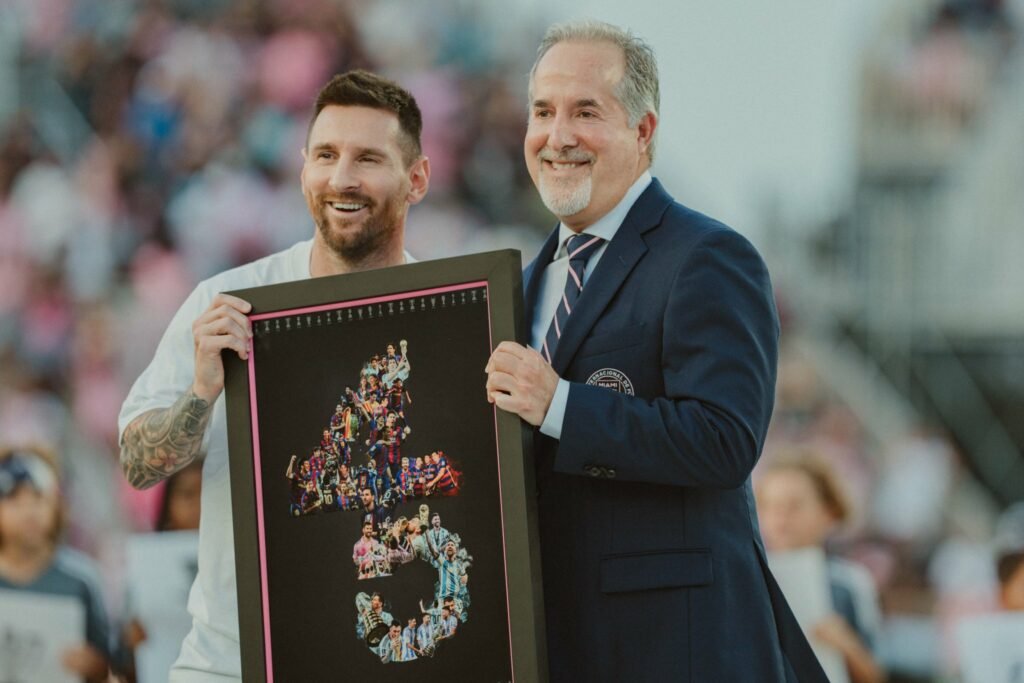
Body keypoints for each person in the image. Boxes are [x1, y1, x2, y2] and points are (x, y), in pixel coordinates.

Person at [483, 20, 827, 681]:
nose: (557, 136)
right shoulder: (522, 286)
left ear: (643, 132)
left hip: (679, 648)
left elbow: (725, 439)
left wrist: (561, 405)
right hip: (559, 645)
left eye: (586, 111)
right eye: (544, 112)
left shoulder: (708, 256)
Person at [118, 69, 429, 681]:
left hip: (390, 661)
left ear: (416, 179)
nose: (342, 178)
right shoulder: (229, 299)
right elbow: (136, 462)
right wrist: (203, 389)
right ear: (303, 168)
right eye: (325, 155)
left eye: (368, 158)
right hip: (229, 664)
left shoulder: (447, 314)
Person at [756, 454, 885, 683]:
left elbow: (874, 675)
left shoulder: (849, 583)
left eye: (795, 505)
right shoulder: (749, 578)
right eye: (770, 505)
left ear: (828, 512)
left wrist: (844, 644)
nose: (781, 516)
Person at [0, 445, 111, 682]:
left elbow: (110, 661)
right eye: (14, 499)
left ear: (57, 505)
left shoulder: (81, 580)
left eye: (38, 497)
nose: (29, 511)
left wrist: (94, 665)